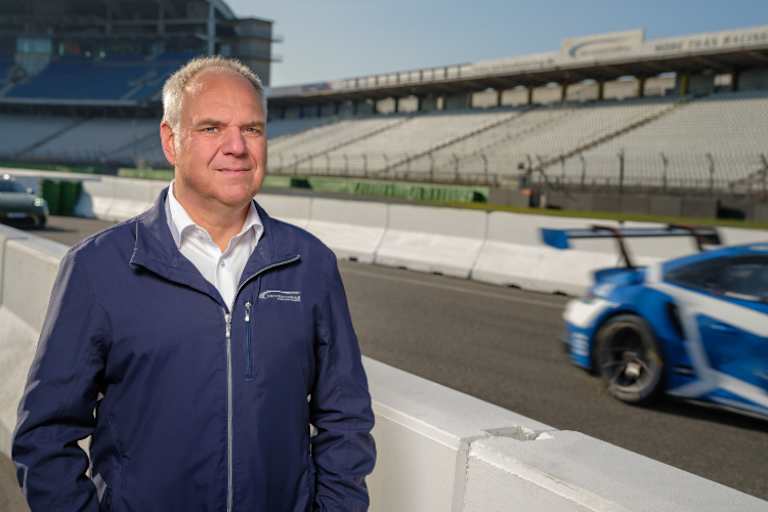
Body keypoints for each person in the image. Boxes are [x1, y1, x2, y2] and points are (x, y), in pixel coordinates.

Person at [12, 56, 376, 511]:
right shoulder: (97, 267)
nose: (237, 146)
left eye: (253, 129)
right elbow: (45, 436)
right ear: (171, 140)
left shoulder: (311, 264)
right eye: (211, 128)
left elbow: (346, 419)